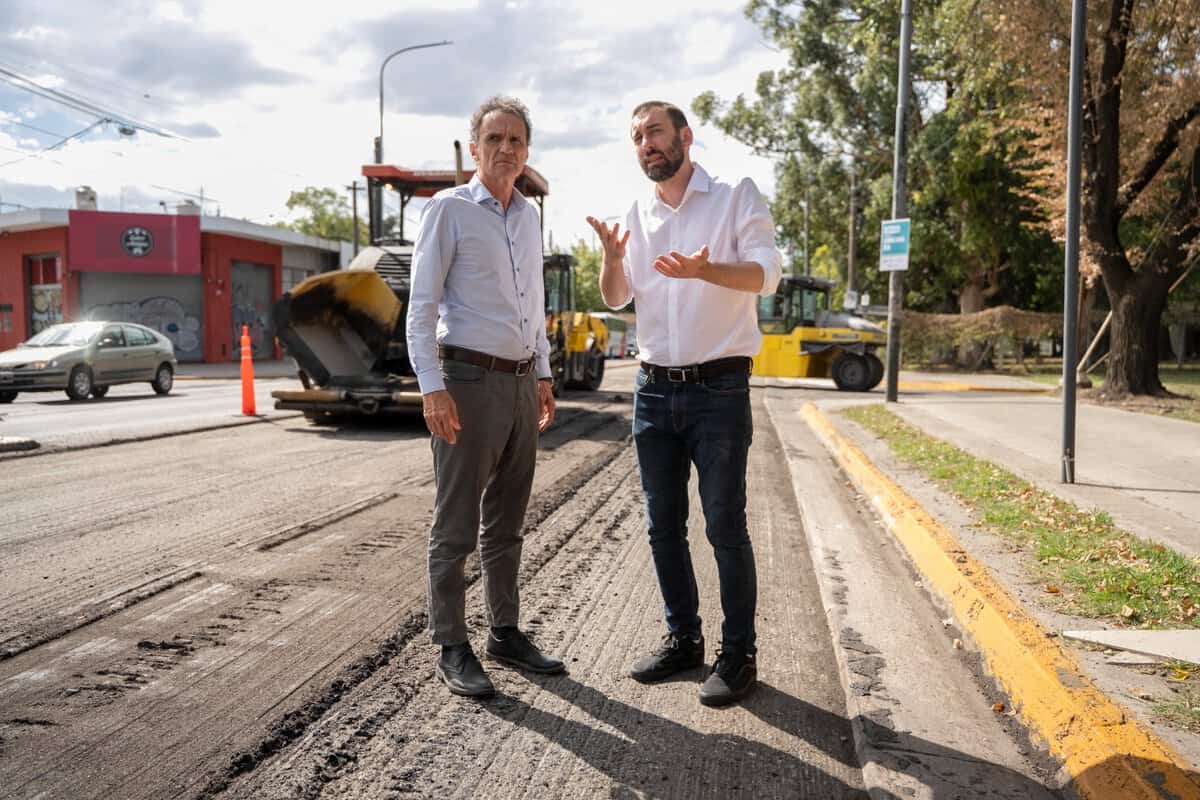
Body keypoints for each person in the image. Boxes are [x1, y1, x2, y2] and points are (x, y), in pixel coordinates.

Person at [587, 100, 781, 707]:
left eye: (655, 132)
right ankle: (684, 639)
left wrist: (707, 271)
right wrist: (612, 261)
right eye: (637, 136)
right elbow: (617, 297)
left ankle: (739, 653)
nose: (645, 143)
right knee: (662, 526)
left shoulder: (734, 196)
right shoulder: (636, 213)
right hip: (652, 390)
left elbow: (766, 274)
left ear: (685, 137)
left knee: (724, 525)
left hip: (718, 389)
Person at [407, 95, 563, 698]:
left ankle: (505, 631)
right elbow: (422, 308)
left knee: (508, 522)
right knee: (456, 525)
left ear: (527, 152)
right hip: (468, 381)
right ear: (474, 149)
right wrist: (433, 387)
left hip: (522, 383)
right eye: (494, 139)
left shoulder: (528, 218)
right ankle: (451, 643)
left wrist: (543, 374)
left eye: (516, 140)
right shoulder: (449, 210)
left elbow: (534, 305)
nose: (505, 149)